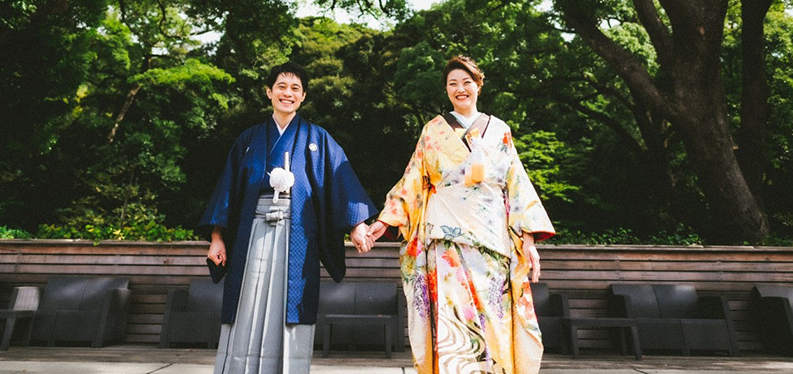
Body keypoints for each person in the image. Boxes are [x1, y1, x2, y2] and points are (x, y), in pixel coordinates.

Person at [367, 55, 554, 374]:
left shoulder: (500, 131)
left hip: (493, 240)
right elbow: (413, 179)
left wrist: (530, 242)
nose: (460, 88)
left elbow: (517, 186)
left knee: (494, 318)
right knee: (452, 323)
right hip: (446, 241)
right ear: (446, 90)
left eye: (466, 82)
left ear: (478, 85)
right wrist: (384, 220)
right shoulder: (433, 132)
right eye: (453, 83)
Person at [197, 61, 376, 374]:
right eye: (281, 86)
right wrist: (216, 237)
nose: (287, 93)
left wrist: (357, 224)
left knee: (292, 303)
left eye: (295, 88)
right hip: (253, 231)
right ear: (269, 92)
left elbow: (340, 180)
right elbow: (228, 188)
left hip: (297, 236)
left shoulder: (318, 138)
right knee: (246, 302)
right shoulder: (248, 140)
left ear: (303, 96)